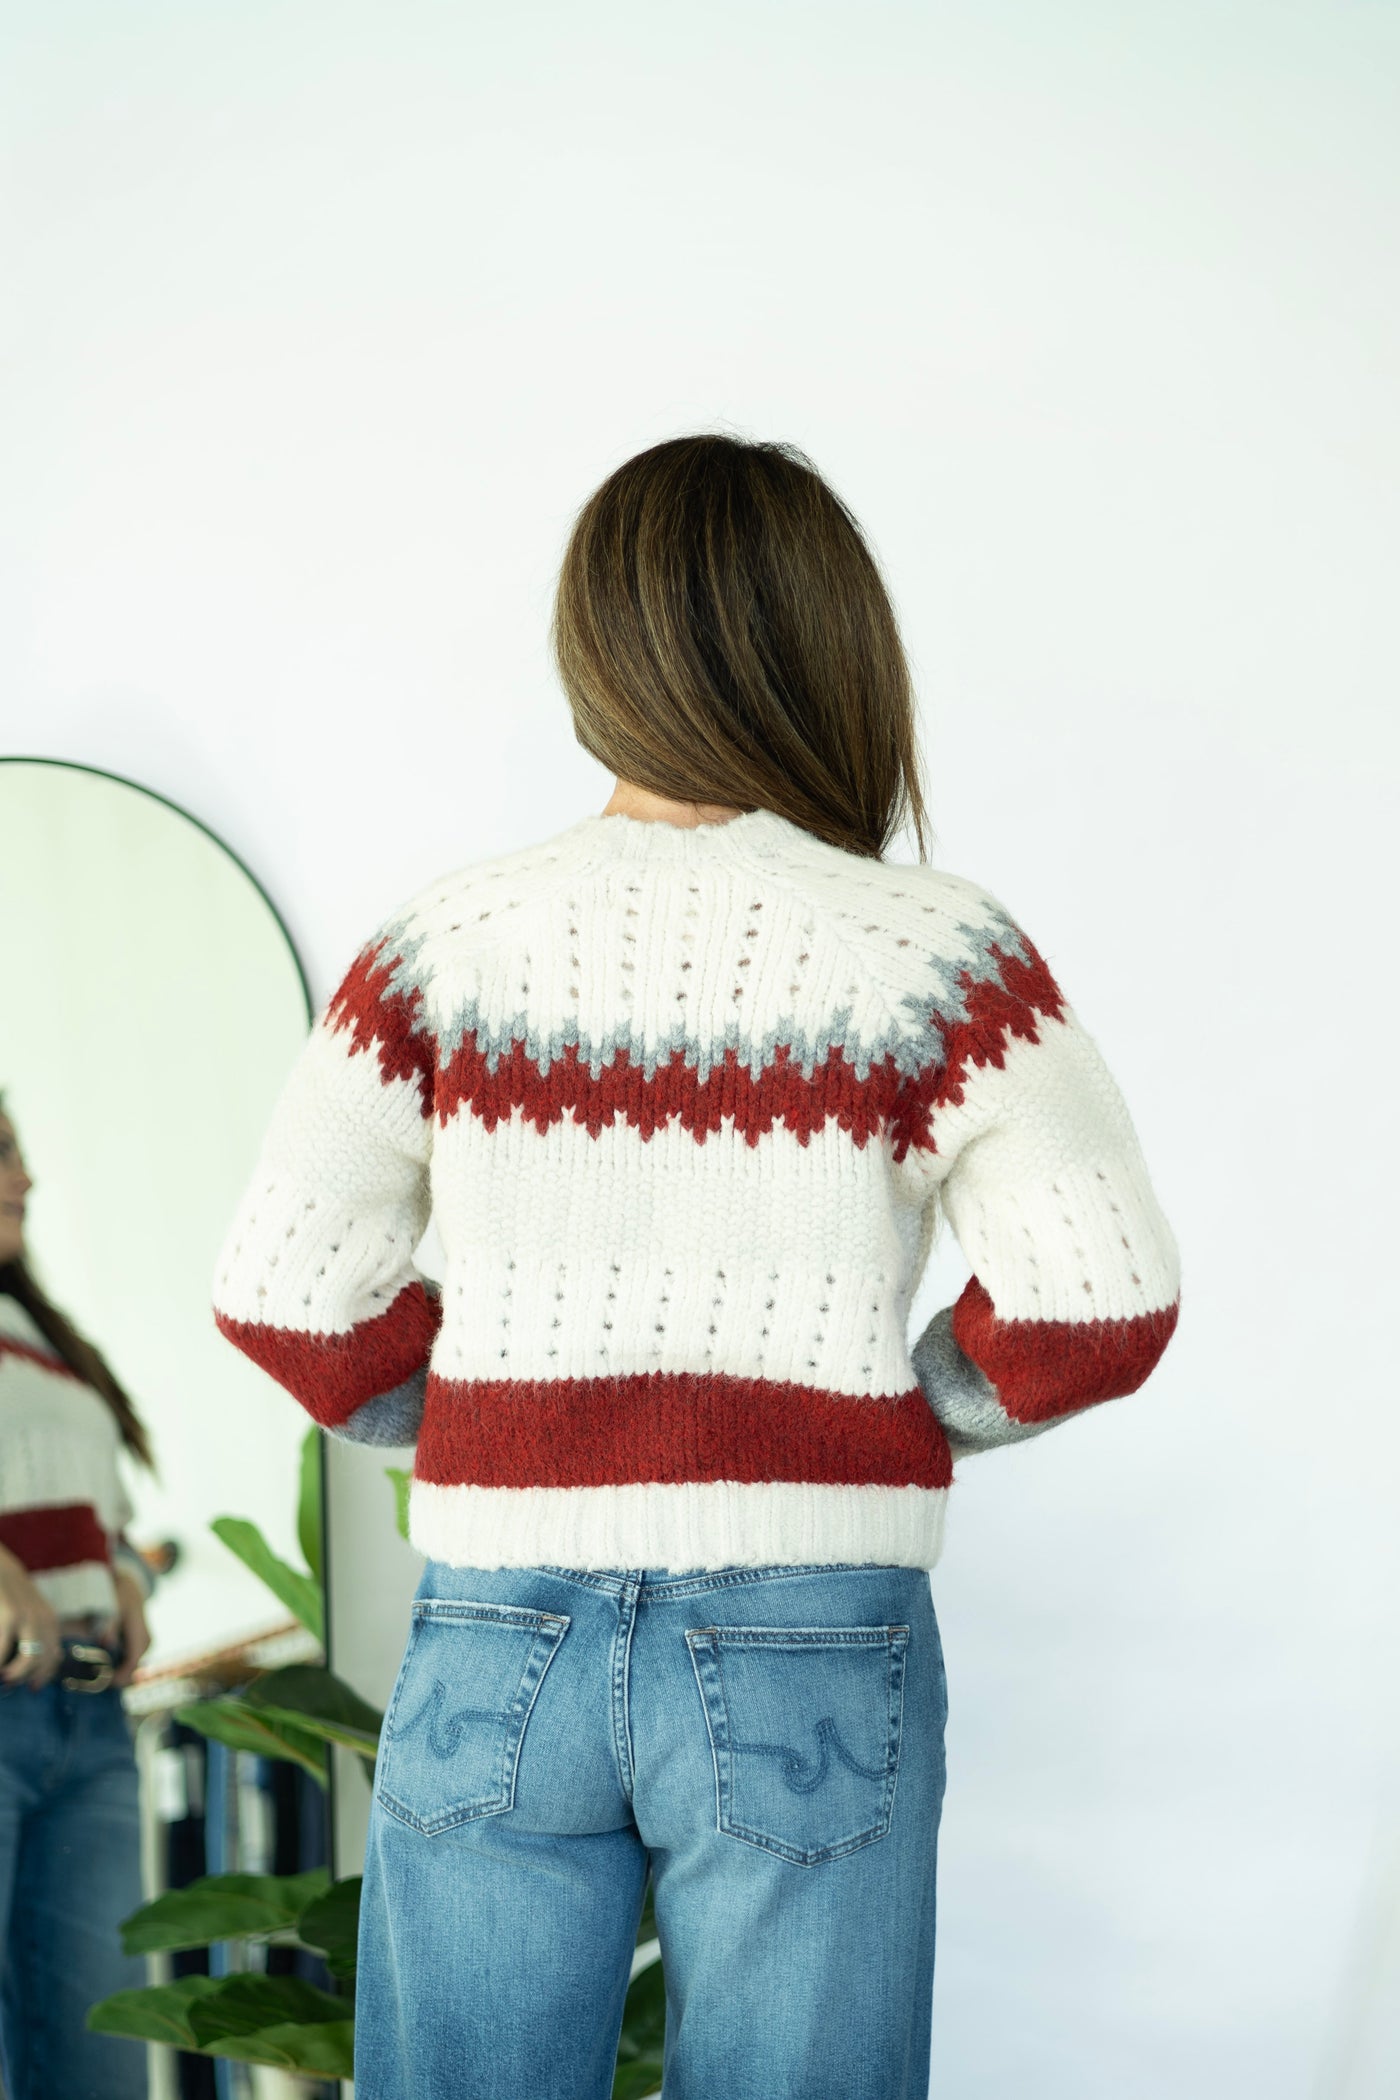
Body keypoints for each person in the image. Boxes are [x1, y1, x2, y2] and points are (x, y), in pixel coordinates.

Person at [211, 432, 1182, 2100]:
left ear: (594, 652)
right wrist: (904, 1407)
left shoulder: (444, 944)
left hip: (496, 1620)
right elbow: (1097, 1302)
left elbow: (287, 1291)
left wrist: (485, 1417)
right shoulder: (936, 952)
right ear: (835, 650)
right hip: (815, 1629)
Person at [0, 1093, 156, 2100]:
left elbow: (110, 1523)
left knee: (102, 2065)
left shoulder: (40, 1335)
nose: (27, 1176)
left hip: (90, 1723)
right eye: (0, 1153)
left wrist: (131, 1580)